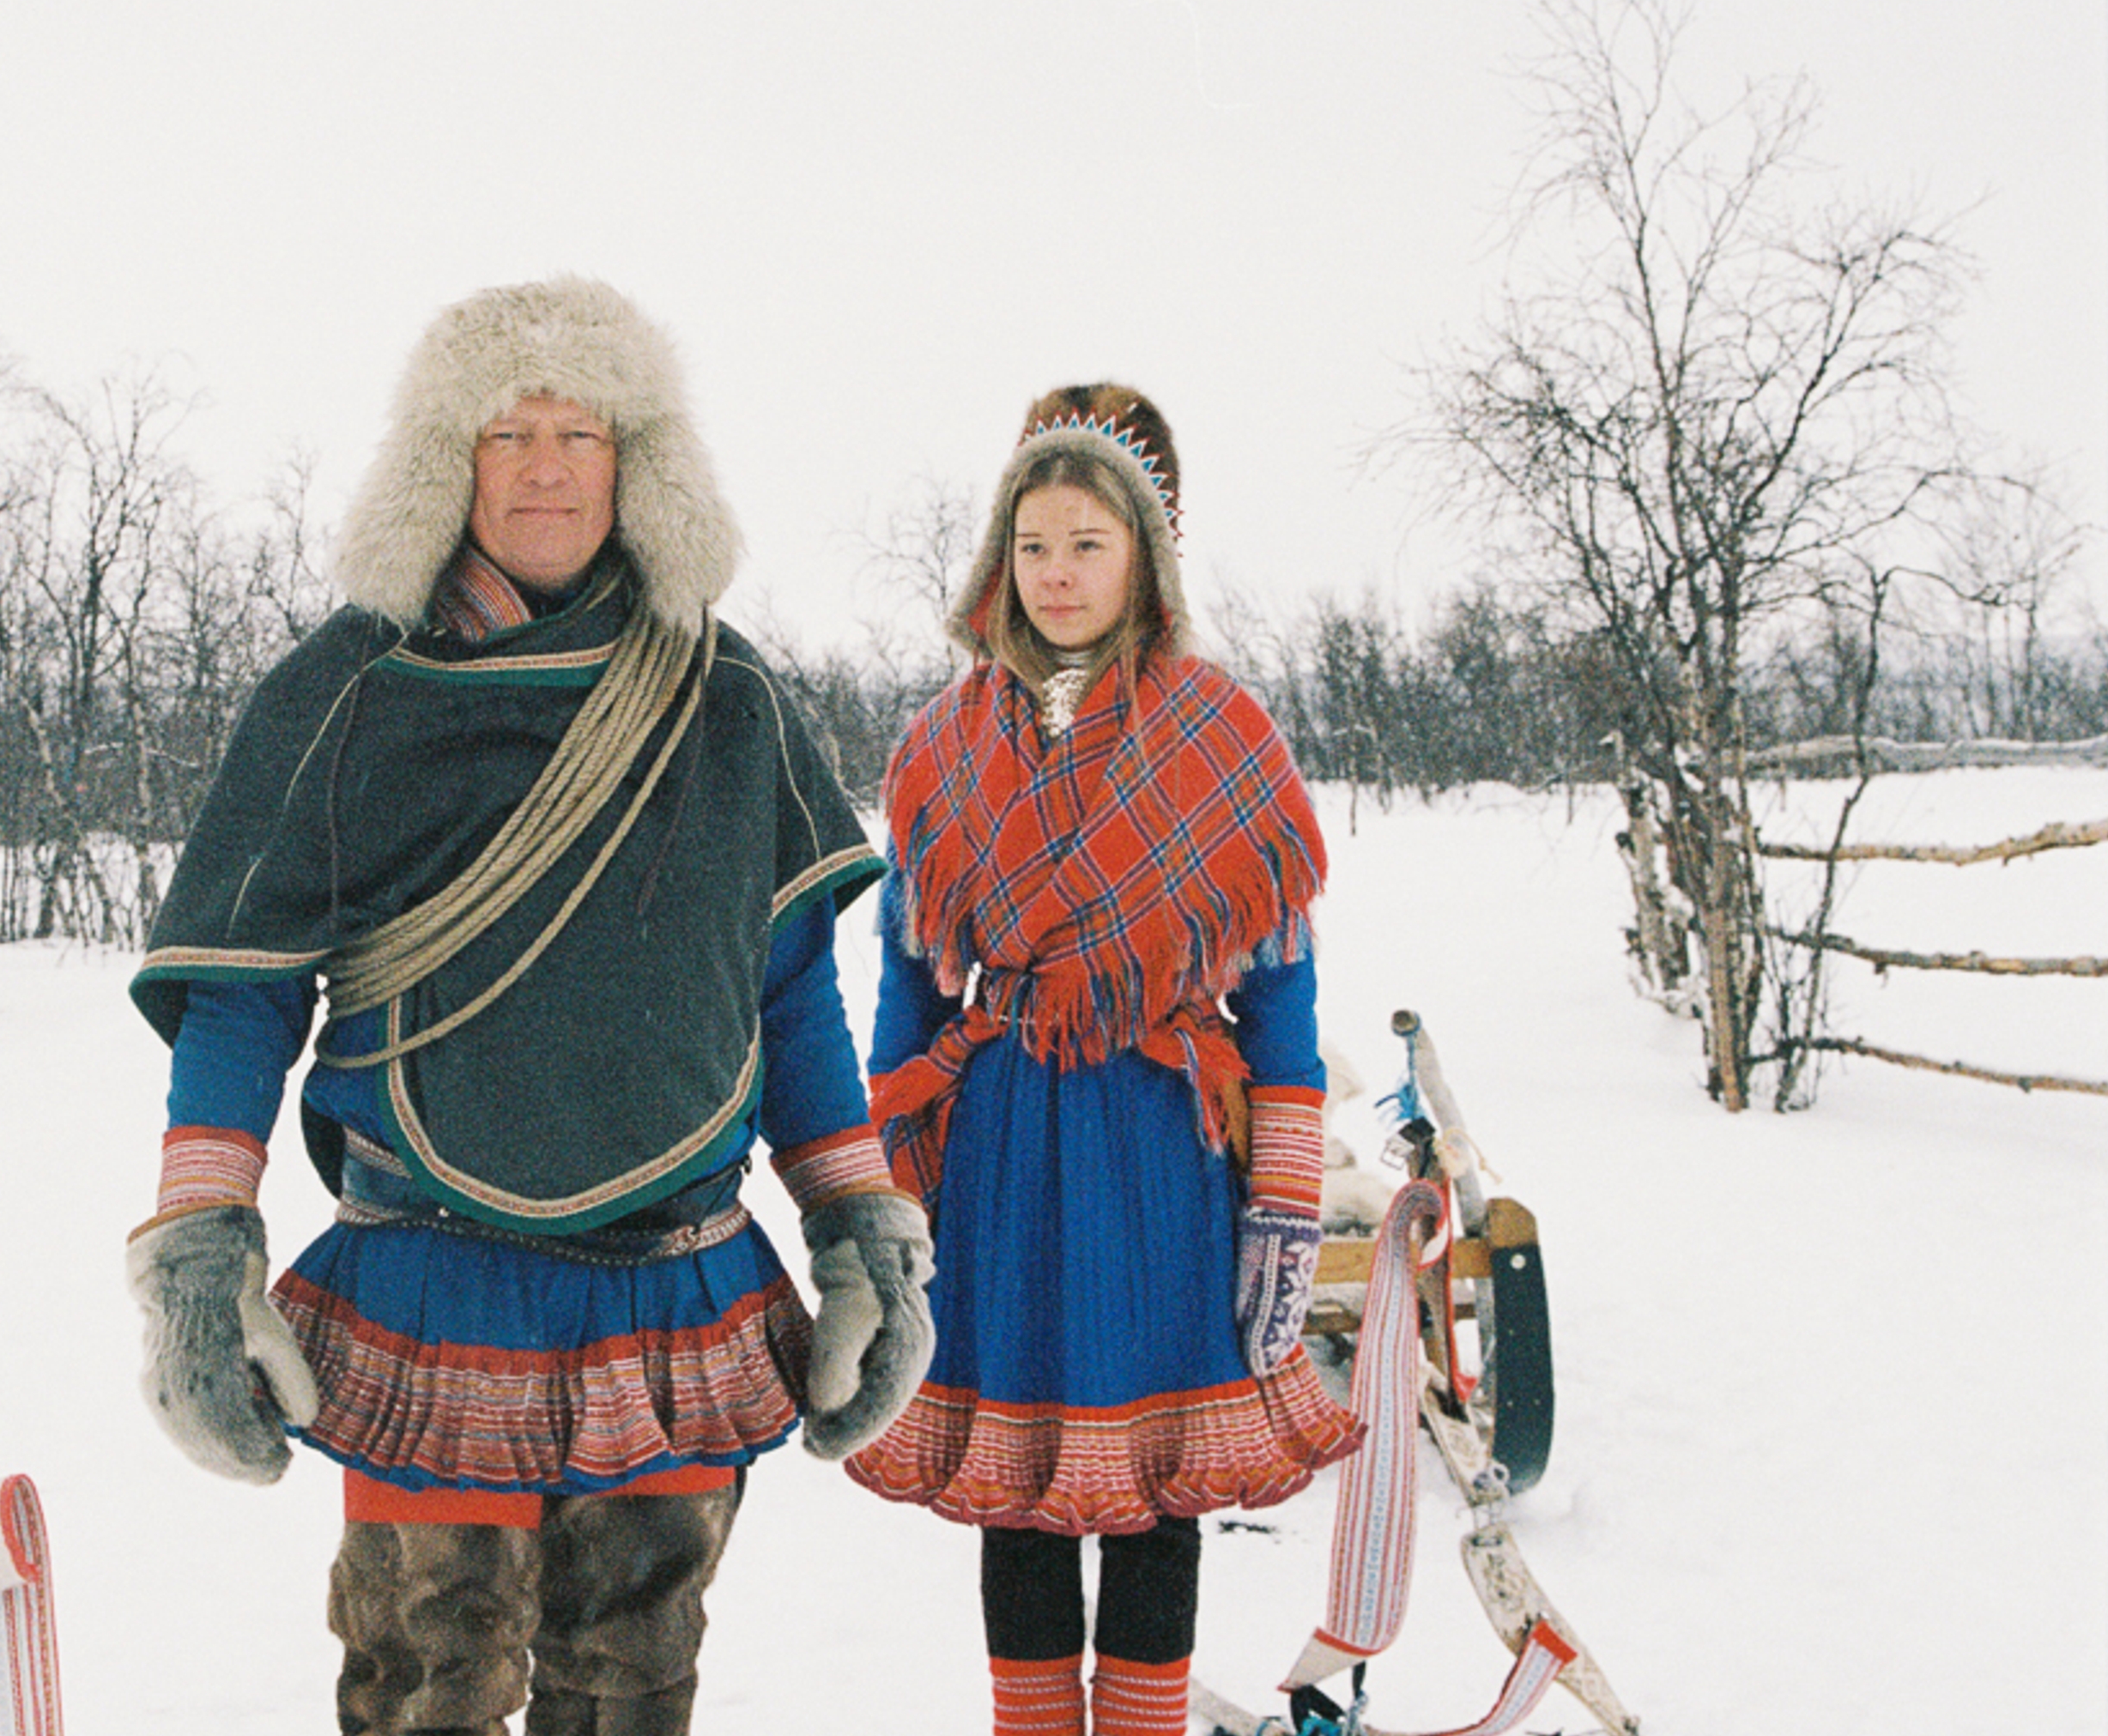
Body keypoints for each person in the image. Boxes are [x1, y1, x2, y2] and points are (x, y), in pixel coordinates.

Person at [124, 276, 935, 1736]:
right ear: (450, 465)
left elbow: (793, 991)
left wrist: (861, 1232)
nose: (548, 467)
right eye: (509, 435)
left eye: (580, 431)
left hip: (674, 1278)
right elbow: (244, 1002)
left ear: (638, 466)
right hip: (434, 1277)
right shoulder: (346, 696)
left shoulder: (726, 698)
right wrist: (200, 1255)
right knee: (425, 1689)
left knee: (636, 1688)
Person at [844, 385, 1356, 1736]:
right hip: (1002, 1143)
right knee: (1012, 1491)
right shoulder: (941, 748)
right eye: (1033, 546)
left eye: (1087, 544)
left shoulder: (1222, 736)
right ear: (997, 562)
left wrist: (1285, 1202)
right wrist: (886, 1186)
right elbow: (903, 987)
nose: (1057, 574)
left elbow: (1284, 995)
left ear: (1144, 558)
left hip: (1161, 1146)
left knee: (1156, 1493)